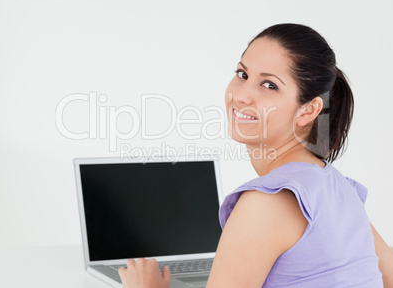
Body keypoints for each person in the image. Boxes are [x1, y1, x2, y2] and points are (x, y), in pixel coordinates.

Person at [118, 23, 393, 287]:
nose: (241, 96)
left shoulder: (267, 203)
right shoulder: (339, 188)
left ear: (308, 110)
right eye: (243, 74)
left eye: (269, 85)